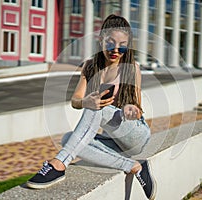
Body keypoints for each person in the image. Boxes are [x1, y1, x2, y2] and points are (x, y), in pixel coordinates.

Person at [27, 14, 156, 200]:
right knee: (69, 138)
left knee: (99, 107)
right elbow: (75, 100)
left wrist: (130, 109)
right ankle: (135, 166)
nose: (116, 50)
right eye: (111, 43)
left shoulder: (131, 67)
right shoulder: (90, 66)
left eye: (123, 45)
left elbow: (137, 106)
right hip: (113, 141)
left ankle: (59, 163)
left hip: (136, 135)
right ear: (101, 39)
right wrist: (86, 101)